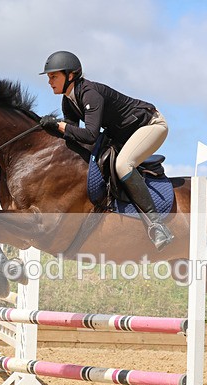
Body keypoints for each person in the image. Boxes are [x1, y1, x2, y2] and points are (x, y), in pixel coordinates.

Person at [38, 51, 174, 251]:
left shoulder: (90, 93)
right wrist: (51, 128)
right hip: (123, 133)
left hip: (150, 125)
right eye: (49, 77)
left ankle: (157, 226)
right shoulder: (68, 100)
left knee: (123, 165)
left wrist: (59, 125)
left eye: (53, 76)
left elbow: (90, 135)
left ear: (70, 75)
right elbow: (73, 135)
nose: (49, 82)